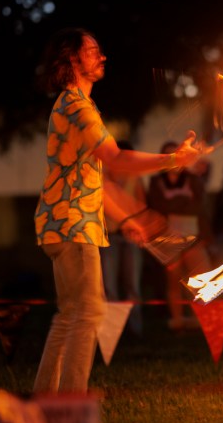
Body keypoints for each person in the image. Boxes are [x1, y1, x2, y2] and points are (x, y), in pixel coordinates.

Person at [33, 27, 204, 394]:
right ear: (74, 59)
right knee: (90, 312)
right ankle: (70, 400)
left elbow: (96, 180)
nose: (102, 56)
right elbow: (116, 158)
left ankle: (46, 398)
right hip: (71, 224)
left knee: (70, 315)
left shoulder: (77, 105)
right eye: (93, 51)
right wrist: (173, 159)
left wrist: (129, 219)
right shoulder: (76, 105)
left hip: (62, 222)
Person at [146, 141, 213, 331]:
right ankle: (177, 319)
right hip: (169, 238)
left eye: (174, 155)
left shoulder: (193, 179)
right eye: (167, 155)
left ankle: (199, 319)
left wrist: (175, 204)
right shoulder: (156, 182)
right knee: (173, 281)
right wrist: (183, 202)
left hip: (193, 236)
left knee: (201, 279)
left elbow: (199, 206)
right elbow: (158, 208)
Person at [99, 140, 146, 336]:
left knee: (132, 284)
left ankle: (135, 328)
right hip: (108, 236)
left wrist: (137, 226)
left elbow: (141, 204)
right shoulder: (101, 178)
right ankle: (112, 332)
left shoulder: (134, 178)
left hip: (130, 237)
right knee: (109, 286)